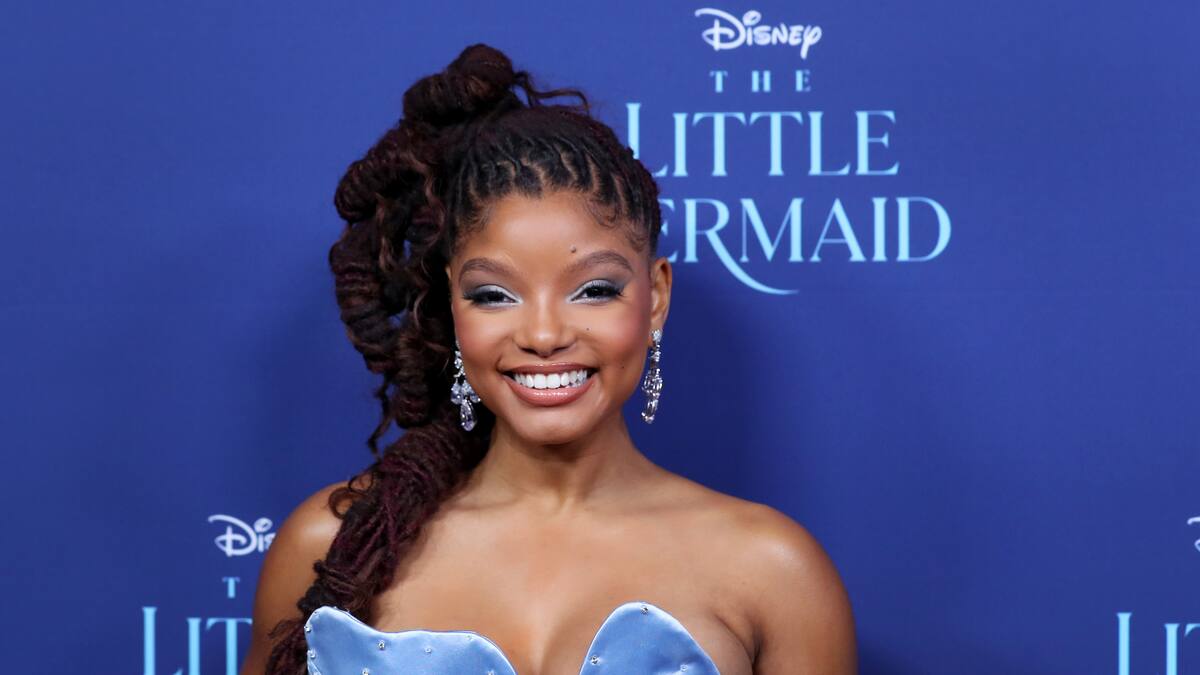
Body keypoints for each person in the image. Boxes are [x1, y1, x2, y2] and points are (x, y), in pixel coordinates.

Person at [239, 43, 856, 675]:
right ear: (452, 304)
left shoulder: (774, 573)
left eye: (594, 290)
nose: (542, 334)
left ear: (656, 297)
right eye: (493, 295)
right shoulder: (333, 546)